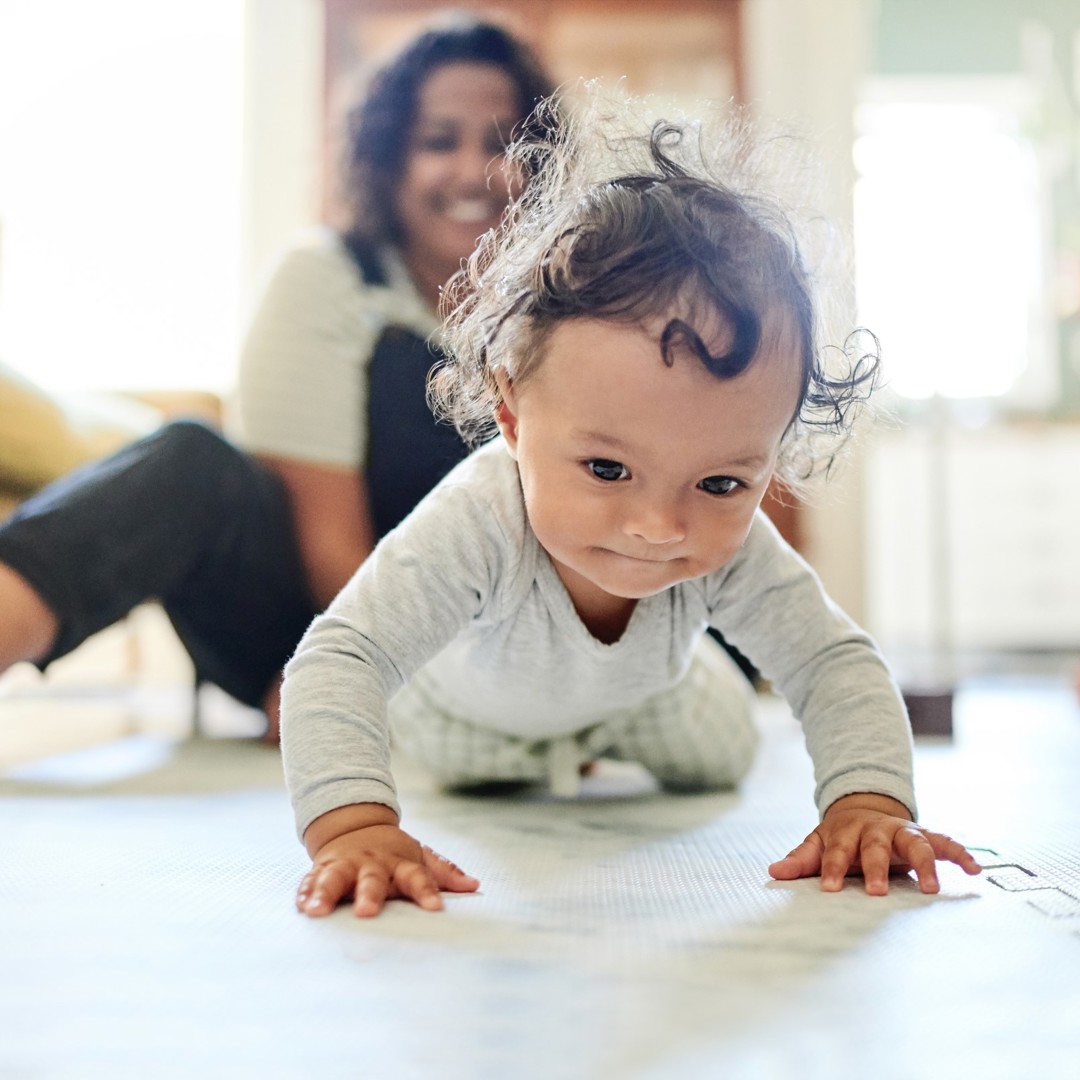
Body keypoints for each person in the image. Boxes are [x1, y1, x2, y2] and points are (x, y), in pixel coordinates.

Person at [282, 95, 984, 920]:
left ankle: (690, 672)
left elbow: (832, 664)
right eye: (607, 468)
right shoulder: (480, 517)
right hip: (464, 724)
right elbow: (343, 657)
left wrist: (868, 804)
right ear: (512, 414)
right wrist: (354, 827)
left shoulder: (733, 546)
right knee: (432, 760)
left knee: (726, 754)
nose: (660, 528)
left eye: (721, 484)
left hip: (657, 703)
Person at [0, 17, 556, 738]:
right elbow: (327, 546)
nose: (472, 171)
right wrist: (349, 674)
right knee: (191, 459)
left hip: (501, 641)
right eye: (438, 141)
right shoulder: (326, 278)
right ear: (388, 160)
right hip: (311, 614)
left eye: (502, 143)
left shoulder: (561, 310)